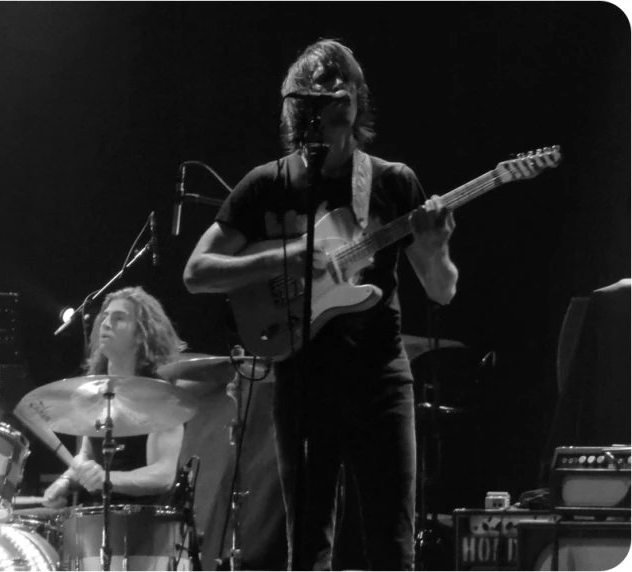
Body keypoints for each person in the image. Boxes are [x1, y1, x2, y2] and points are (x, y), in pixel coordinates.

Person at [183, 39, 458, 571]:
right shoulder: (268, 184)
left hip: (380, 379)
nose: (339, 97)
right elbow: (197, 273)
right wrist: (288, 257)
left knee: (391, 543)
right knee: (306, 546)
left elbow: (442, 288)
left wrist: (436, 247)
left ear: (357, 100)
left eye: (346, 87)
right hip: (303, 379)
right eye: (324, 91)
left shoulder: (391, 181)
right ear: (300, 110)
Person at [43, 286, 186, 508]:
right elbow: (86, 457)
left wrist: (108, 479)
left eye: (119, 318)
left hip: (142, 524)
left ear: (141, 335)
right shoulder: (96, 392)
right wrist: (66, 480)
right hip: (96, 517)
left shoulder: (160, 398)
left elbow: (163, 475)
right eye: (106, 316)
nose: (106, 323)